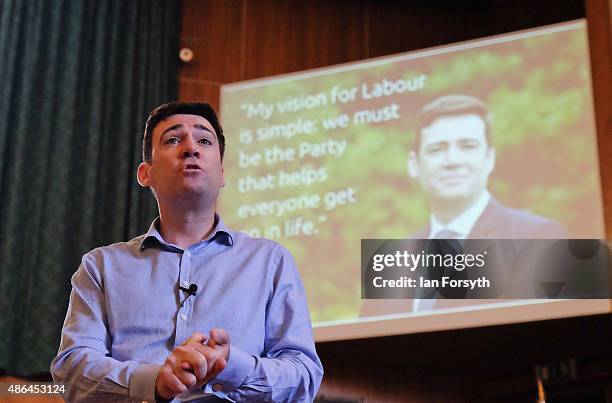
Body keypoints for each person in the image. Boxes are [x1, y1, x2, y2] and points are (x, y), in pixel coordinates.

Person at [51, 102, 323, 402]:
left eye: (204, 140)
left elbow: (304, 376)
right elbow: (72, 371)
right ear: (145, 173)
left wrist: (231, 365)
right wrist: (153, 381)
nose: (191, 148)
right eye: (173, 139)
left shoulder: (270, 261)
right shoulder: (101, 265)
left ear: (221, 173)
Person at [361, 94, 565, 316]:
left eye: (468, 146)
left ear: (490, 158)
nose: (453, 161)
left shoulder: (537, 239)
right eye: (437, 149)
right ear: (414, 164)